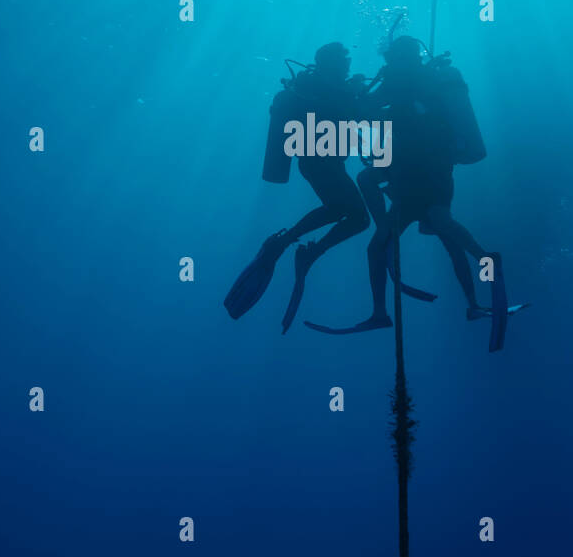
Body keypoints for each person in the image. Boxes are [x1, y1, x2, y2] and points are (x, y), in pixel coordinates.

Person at [305, 36, 526, 350]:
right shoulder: (431, 78)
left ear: (396, 56)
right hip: (435, 173)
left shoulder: (397, 79)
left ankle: (383, 309)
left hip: (409, 178)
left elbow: (365, 110)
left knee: (387, 236)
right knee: (444, 229)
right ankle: (476, 289)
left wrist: (353, 90)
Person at [223, 43, 370, 332]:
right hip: (321, 163)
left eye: (347, 61)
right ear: (331, 62)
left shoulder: (319, 85)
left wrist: (354, 92)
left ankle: (287, 244)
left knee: (340, 210)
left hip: (320, 162)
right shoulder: (323, 86)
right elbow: (346, 110)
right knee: (358, 217)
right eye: (344, 61)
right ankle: (301, 249)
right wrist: (356, 92)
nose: (347, 66)